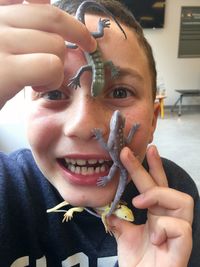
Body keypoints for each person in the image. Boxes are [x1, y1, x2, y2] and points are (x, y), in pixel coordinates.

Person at [0, 0, 199, 266]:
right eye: (53, 93)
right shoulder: (8, 188)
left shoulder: (173, 197)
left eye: (120, 92)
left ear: (154, 120)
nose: (83, 127)